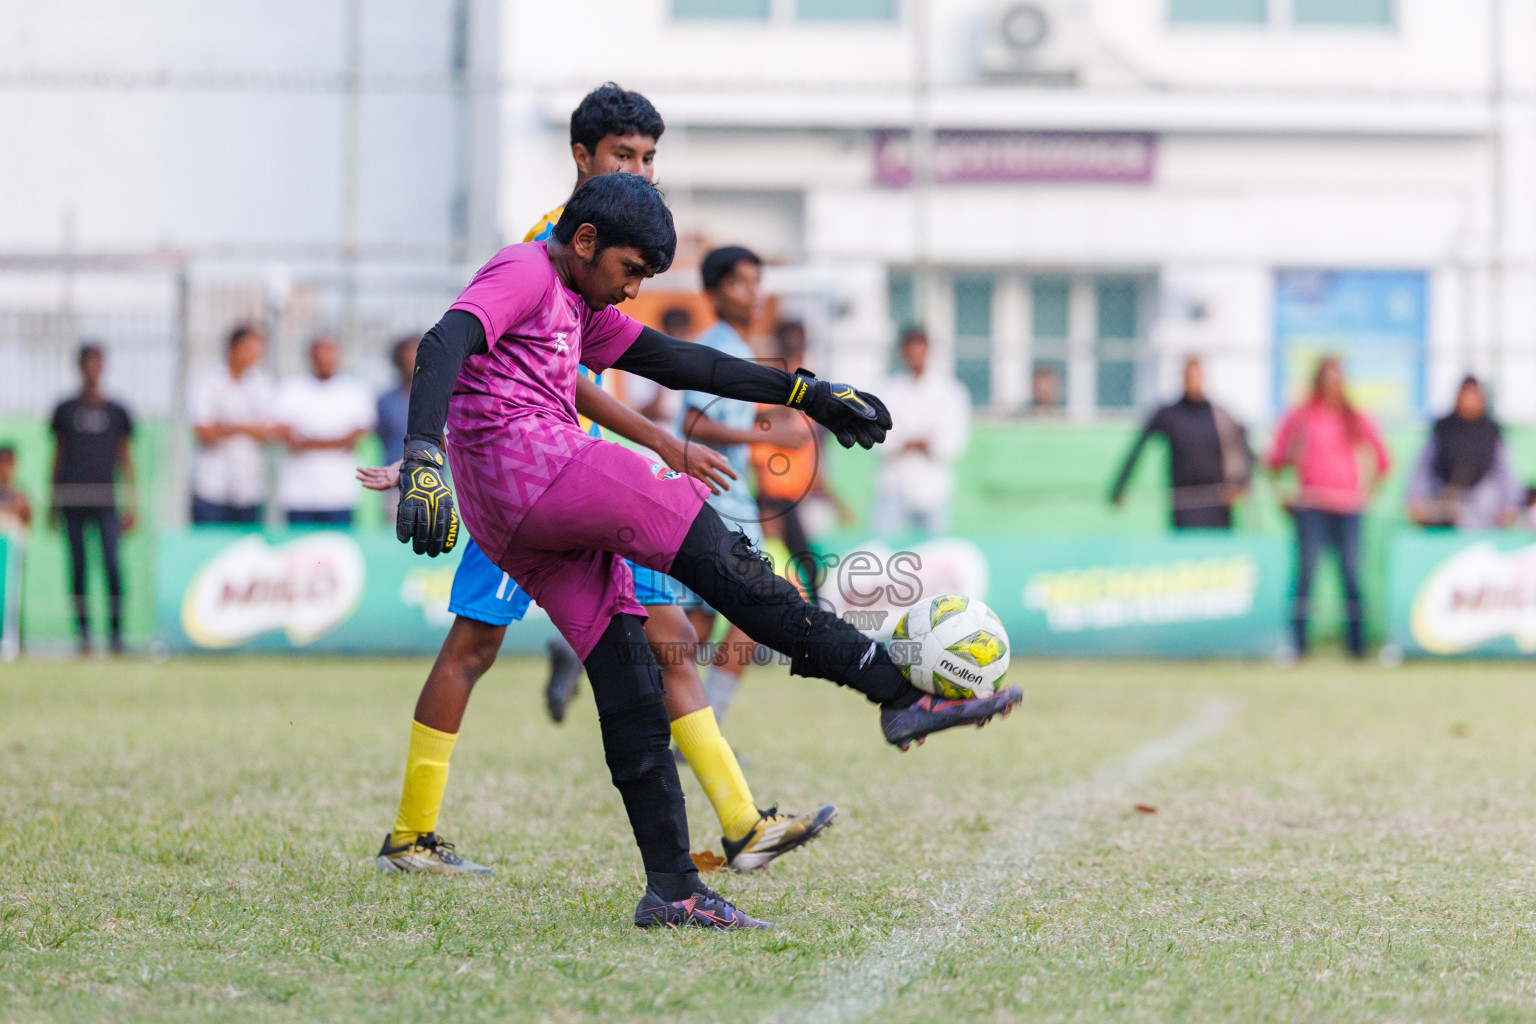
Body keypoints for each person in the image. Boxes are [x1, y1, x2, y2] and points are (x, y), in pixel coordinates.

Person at [385, 171, 1020, 930]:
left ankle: (674, 888)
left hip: (509, 518)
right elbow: (444, 340)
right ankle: (898, 694)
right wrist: (421, 454)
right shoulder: (526, 270)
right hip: (545, 470)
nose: (631, 291)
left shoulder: (579, 303)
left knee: (629, 680)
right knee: (738, 574)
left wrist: (808, 393)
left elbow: (682, 362)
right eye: (629, 271)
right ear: (584, 241)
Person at [369, 85, 851, 887]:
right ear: (581, 158)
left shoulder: (627, 238)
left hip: (584, 472)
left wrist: (665, 436)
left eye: (649, 157)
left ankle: (741, 824)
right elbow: (517, 368)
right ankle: (413, 833)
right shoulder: (550, 246)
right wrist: (432, 449)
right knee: (478, 644)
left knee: (665, 633)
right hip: (530, 480)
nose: (639, 169)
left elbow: (619, 363)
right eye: (623, 155)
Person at [675, 246, 804, 725]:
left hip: (722, 497)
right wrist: (768, 435)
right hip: (717, 500)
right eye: (739, 283)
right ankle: (698, 730)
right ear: (713, 293)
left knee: (700, 623)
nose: (753, 293)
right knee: (754, 612)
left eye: (756, 282)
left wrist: (769, 419)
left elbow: (722, 419)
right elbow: (694, 423)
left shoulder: (738, 348)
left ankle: (683, 733)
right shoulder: (715, 349)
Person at [1266, 355, 1390, 659]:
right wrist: (1282, 493)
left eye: (1337, 378)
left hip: (1348, 509)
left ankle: (1357, 648)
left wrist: (1368, 491)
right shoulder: (1302, 416)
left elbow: (1383, 460)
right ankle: (1297, 646)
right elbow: (1275, 459)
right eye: (1327, 378)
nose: (1332, 385)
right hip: (1311, 506)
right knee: (1306, 574)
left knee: (1351, 575)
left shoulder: (1354, 416)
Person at [753, 321, 852, 602]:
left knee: (808, 571)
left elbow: (809, 461)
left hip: (799, 499)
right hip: (775, 500)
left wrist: (832, 499)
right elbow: (758, 453)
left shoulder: (808, 395)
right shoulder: (769, 393)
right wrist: (766, 506)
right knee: (777, 572)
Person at [49, 342, 135, 655]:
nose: (93, 370)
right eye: (88, 364)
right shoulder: (65, 410)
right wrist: (53, 500)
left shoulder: (117, 412)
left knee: (112, 565)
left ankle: (116, 635)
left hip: (106, 501)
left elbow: (126, 458)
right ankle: (83, 635)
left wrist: (132, 501)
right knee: (78, 568)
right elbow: (57, 456)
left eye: (97, 363)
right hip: (72, 500)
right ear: (80, 367)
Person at [1109, 355, 1253, 530]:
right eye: (1190, 376)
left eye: (1197, 376)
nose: (1194, 381)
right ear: (1183, 378)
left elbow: (1245, 450)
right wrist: (1120, 488)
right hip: (1183, 504)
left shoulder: (1221, 415)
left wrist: (1242, 484)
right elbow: (1138, 449)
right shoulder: (1170, 415)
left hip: (1218, 504)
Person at [872, 328, 971, 537]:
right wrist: (910, 442)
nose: (915, 357)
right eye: (911, 351)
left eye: (920, 350)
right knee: (880, 547)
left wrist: (920, 443)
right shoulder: (887, 389)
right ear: (902, 353)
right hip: (894, 484)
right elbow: (878, 436)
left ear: (928, 351)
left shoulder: (949, 391)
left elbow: (952, 441)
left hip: (933, 488)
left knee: (933, 549)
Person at [274, 336, 375, 526]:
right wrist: (336, 441)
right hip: (299, 494)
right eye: (320, 354)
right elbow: (287, 437)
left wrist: (307, 442)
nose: (325, 360)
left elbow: (355, 438)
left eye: (330, 354)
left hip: (340, 493)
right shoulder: (291, 389)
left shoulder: (355, 390)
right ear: (310, 357)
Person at [1406, 376, 1523, 530]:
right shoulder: (1443, 428)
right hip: (1444, 501)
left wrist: (1510, 505)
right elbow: (1423, 468)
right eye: (1466, 395)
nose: (1469, 401)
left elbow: (1506, 472)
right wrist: (1416, 499)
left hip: (1483, 506)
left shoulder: (1490, 431)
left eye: (1474, 395)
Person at [188, 323, 276, 524]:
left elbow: (271, 432)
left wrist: (228, 425)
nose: (256, 355)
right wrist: (250, 427)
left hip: (249, 487)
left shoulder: (262, 383)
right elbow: (205, 432)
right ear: (233, 347)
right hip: (210, 486)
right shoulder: (206, 381)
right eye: (250, 348)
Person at [376, 335, 419, 521]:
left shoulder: (443, 398)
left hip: (434, 485)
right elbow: (382, 436)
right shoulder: (385, 401)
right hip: (396, 486)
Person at [0, 445, 33, 533]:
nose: (5, 469)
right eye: (2, 463)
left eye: (8, 463)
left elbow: (28, 520)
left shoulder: (21, 496)